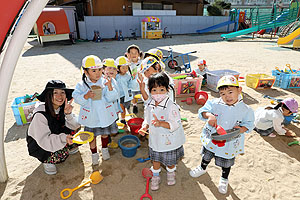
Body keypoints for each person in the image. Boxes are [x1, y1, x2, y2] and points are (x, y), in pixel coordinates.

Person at [189, 75, 255, 194]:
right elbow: (202, 111)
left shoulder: (246, 110)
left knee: (226, 162)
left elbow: (249, 124)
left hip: (229, 143)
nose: (227, 96)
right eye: (222, 94)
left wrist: (240, 129)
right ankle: (202, 168)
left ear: (239, 90)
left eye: (230, 92)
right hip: (212, 138)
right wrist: (209, 115)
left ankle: (224, 178)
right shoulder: (214, 103)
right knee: (207, 155)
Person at [138, 72, 185, 191]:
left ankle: (170, 172)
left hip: (169, 139)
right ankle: (155, 176)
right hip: (156, 139)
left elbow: (175, 123)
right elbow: (147, 118)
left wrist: (161, 123)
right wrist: (144, 127)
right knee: (156, 159)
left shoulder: (171, 105)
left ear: (167, 89)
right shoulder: (149, 103)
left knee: (170, 161)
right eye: (154, 90)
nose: (158, 93)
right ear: (150, 90)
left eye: (161, 89)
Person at [27, 80, 81, 175]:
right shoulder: (40, 114)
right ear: (48, 95)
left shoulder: (62, 108)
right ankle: (47, 161)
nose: (59, 96)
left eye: (62, 93)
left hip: (57, 136)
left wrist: (68, 114)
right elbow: (44, 140)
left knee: (75, 126)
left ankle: (69, 146)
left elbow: (75, 125)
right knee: (59, 156)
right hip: (42, 145)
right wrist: (64, 138)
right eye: (55, 93)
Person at [72, 55, 119, 165]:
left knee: (104, 134)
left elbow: (112, 98)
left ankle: (104, 149)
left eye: (99, 69)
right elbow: (76, 97)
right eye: (94, 70)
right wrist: (86, 96)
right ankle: (94, 154)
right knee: (91, 137)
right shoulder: (82, 85)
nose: (98, 73)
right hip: (91, 117)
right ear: (85, 71)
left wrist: (110, 87)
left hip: (104, 114)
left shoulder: (105, 81)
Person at [115, 56, 134, 125]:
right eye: (123, 67)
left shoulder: (128, 76)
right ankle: (120, 119)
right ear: (118, 68)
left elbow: (130, 84)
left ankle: (124, 118)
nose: (125, 69)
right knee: (120, 108)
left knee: (125, 108)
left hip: (126, 95)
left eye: (126, 67)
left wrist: (130, 91)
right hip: (118, 95)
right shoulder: (116, 76)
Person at [126, 44, 143, 114]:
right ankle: (134, 105)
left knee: (143, 95)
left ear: (138, 54)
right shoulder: (127, 64)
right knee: (133, 97)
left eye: (135, 53)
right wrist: (128, 63)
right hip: (132, 85)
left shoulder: (142, 62)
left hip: (141, 84)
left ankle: (145, 105)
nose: (134, 54)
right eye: (131, 53)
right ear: (128, 54)